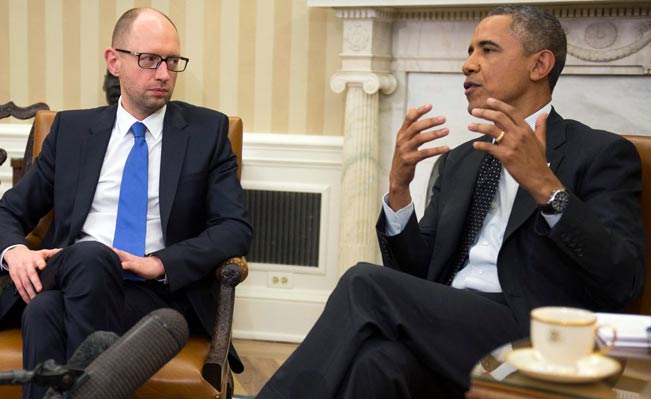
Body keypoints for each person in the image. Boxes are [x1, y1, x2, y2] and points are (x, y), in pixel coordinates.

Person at [257, 5, 646, 399]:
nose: (468, 65)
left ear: (539, 64)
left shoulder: (599, 153)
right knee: (379, 362)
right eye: (468, 51)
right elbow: (419, 271)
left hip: (540, 335)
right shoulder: (459, 159)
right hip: (455, 322)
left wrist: (547, 187)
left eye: (487, 50)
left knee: (364, 283)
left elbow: (624, 277)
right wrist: (398, 189)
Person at [0, 8, 251, 399]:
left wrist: (160, 264)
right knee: (89, 257)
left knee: (44, 312)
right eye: (149, 59)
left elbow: (234, 228)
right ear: (114, 61)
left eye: (172, 61)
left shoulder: (207, 133)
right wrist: (15, 252)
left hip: (152, 294)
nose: (164, 73)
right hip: (73, 272)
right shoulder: (72, 132)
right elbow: (10, 211)